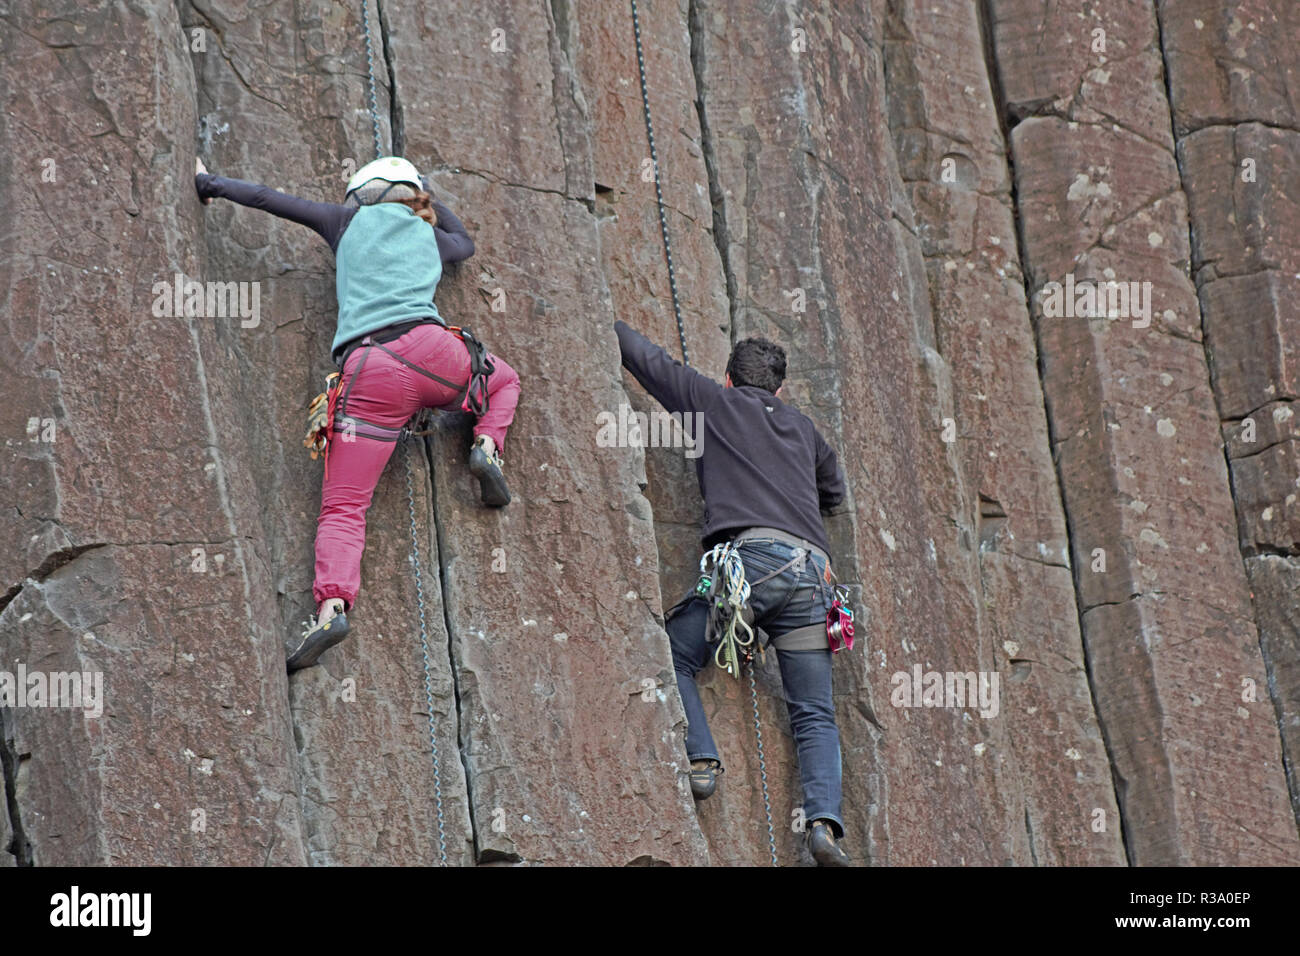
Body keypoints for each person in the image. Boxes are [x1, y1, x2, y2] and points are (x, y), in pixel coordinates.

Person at [194, 156, 521, 671]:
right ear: (410, 195)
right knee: (502, 380)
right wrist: (429, 196)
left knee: (344, 507)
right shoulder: (428, 234)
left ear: (358, 195)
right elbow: (466, 244)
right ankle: (484, 446)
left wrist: (208, 181)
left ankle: (331, 608)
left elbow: (267, 198)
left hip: (371, 372)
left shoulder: (344, 221)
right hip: (435, 352)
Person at [614, 320, 851, 866]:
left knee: (675, 652)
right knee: (814, 712)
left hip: (753, 565)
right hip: (813, 577)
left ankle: (701, 759)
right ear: (780, 388)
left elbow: (647, 361)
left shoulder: (713, 405)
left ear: (727, 379)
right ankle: (823, 826)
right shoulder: (804, 429)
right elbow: (833, 489)